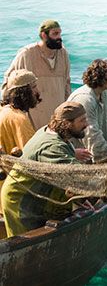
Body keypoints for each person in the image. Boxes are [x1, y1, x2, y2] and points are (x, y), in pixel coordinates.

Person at [1, 102, 88, 237]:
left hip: (38, 196)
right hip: (21, 200)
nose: (86, 124)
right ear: (66, 123)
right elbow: (76, 175)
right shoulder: (51, 146)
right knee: (26, 244)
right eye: (82, 120)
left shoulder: (54, 134)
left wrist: (80, 199)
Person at [1, 19, 71, 130]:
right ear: (44, 35)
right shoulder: (27, 54)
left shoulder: (63, 54)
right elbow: (10, 82)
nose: (59, 37)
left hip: (57, 115)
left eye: (60, 33)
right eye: (55, 34)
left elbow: (67, 83)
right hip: (34, 115)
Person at [0, 69, 41, 213]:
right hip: (15, 194)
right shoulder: (19, 120)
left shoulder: (3, 111)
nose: (38, 91)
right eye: (34, 87)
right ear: (24, 92)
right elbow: (32, 158)